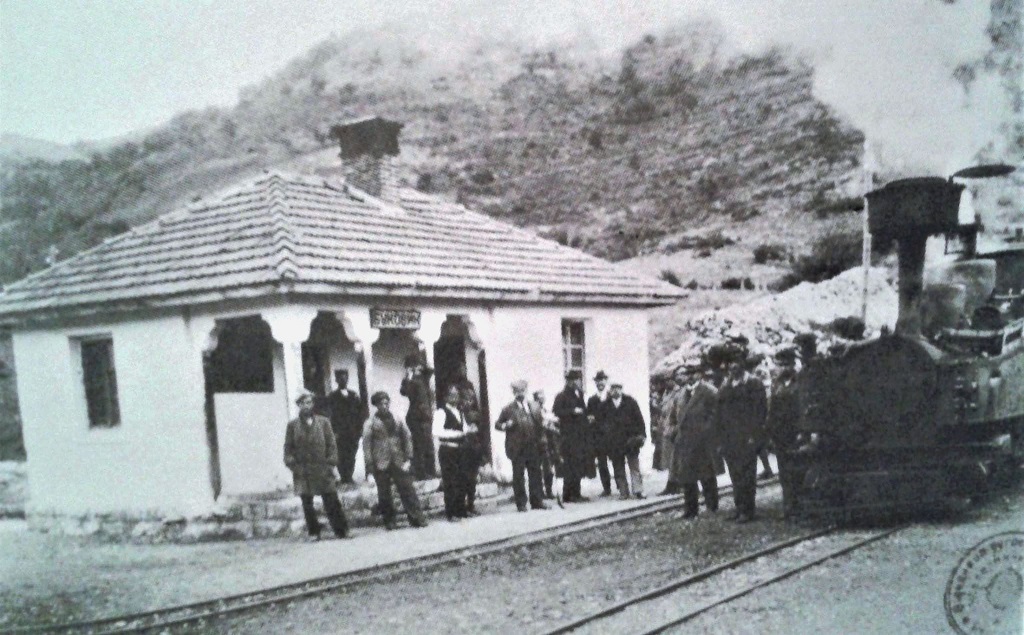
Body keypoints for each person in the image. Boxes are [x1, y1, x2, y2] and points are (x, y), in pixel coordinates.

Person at [283, 391, 349, 540]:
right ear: (299, 405)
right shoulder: (293, 425)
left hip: (322, 468)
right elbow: (288, 449)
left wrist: (331, 462)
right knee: (307, 503)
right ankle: (314, 532)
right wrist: (293, 465)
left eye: (310, 402)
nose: (308, 406)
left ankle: (341, 530)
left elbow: (331, 444)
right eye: (304, 403)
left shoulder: (323, 422)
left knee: (331, 499)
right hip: (303, 470)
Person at [362, 391, 427, 530]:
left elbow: (407, 437)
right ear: (376, 405)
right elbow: (367, 446)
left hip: (399, 460)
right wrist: (370, 467)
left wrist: (409, 458)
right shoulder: (370, 423)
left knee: (407, 489)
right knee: (384, 493)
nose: (384, 406)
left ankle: (416, 518)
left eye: (386, 403)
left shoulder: (397, 419)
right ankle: (390, 521)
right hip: (381, 461)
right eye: (381, 404)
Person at [717, 357, 768, 523]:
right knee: (735, 474)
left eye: (736, 364)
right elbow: (720, 412)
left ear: (742, 366)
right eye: (730, 364)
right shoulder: (726, 386)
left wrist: (754, 435)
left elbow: (760, 411)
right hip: (729, 437)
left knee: (747, 474)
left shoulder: (753, 384)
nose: (732, 367)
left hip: (747, 436)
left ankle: (748, 509)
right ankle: (739, 507)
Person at [671, 366, 723, 518]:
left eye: (691, 373)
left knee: (707, 475)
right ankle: (690, 509)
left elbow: (716, 415)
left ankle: (712, 507)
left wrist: (705, 431)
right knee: (687, 477)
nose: (687, 377)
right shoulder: (681, 394)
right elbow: (675, 416)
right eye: (686, 374)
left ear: (698, 375)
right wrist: (674, 432)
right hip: (685, 441)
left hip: (703, 442)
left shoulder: (709, 391)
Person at [496, 380, 548, 511]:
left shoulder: (534, 406)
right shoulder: (508, 409)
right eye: (517, 391)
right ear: (514, 392)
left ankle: (537, 501)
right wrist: (505, 425)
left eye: (522, 391)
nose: (520, 393)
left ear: (526, 391)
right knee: (518, 476)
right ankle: (521, 503)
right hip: (517, 448)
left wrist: (542, 440)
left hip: (533, 446)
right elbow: (497, 424)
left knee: (535, 473)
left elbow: (540, 425)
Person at [767, 348, 803, 518]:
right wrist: (771, 434)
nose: (781, 368)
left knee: (798, 471)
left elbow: (803, 409)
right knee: (784, 472)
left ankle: (799, 506)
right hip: (781, 434)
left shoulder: (801, 381)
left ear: (792, 364)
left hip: (798, 433)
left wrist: (803, 431)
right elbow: (772, 410)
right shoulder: (776, 384)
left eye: (784, 364)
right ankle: (788, 506)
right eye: (779, 365)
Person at [433, 385, 478, 520]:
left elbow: (463, 428)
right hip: (448, 449)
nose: (455, 398)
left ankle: (461, 510)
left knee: (461, 479)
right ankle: (451, 512)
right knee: (450, 480)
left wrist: (469, 429)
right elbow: (437, 432)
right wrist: (458, 434)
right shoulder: (440, 412)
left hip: (460, 449)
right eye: (452, 395)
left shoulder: (459, 412)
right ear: (446, 397)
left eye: (457, 395)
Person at [553, 370, 591, 502]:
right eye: (573, 380)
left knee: (579, 464)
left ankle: (576, 492)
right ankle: (568, 494)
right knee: (569, 465)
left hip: (580, 435)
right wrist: (572, 411)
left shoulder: (579, 394)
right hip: (568, 436)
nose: (576, 382)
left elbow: (584, 410)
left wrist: (587, 416)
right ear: (568, 381)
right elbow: (557, 411)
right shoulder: (561, 396)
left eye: (578, 379)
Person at [604, 382, 647, 499]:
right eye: (613, 388)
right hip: (615, 442)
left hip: (630, 440)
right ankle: (623, 492)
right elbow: (602, 424)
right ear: (610, 390)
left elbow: (639, 419)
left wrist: (642, 435)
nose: (615, 391)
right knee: (618, 467)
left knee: (634, 465)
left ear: (621, 389)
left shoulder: (630, 402)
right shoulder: (606, 405)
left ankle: (638, 490)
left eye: (618, 388)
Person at [400, 354, 437, 480]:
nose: (418, 368)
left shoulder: (423, 379)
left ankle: (430, 471)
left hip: (426, 416)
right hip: (416, 417)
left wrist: (420, 367)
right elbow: (404, 391)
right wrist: (408, 375)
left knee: (428, 445)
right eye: (415, 365)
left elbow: (431, 370)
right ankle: (421, 473)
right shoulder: (411, 381)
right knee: (419, 446)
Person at [325, 369, 364, 484]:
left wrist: (359, 429)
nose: (343, 380)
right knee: (341, 454)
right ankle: (344, 477)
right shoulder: (332, 396)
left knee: (352, 453)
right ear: (336, 380)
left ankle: (349, 476)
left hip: (353, 431)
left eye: (345, 377)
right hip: (340, 431)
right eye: (340, 378)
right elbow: (330, 415)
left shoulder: (354, 395)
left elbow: (359, 413)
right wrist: (334, 431)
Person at [659, 367, 691, 495]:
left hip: (680, 429)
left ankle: (679, 484)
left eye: (669, 380)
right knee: (671, 459)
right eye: (665, 380)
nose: (667, 382)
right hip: (669, 428)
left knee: (679, 458)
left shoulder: (682, 391)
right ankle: (672, 484)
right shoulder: (667, 393)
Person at [587, 370, 613, 497]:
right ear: (595, 383)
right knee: (602, 462)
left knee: (617, 460)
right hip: (599, 436)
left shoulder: (611, 397)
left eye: (602, 380)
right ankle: (606, 488)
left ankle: (622, 486)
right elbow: (589, 416)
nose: (600, 383)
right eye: (598, 381)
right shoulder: (592, 400)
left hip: (612, 434)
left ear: (606, 381)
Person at [533, 390, 560, 499]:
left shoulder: (545, 410)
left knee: (548, 469)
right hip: (538, 443)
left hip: (548, 443)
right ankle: (540, 492)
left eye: (543, 397)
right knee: (539, 469)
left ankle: (548, 491)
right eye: (539, 398)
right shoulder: (534, 411)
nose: (541, 400)